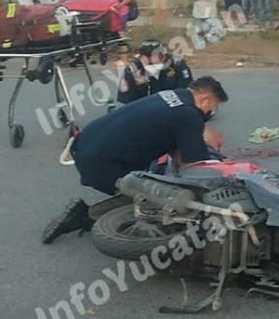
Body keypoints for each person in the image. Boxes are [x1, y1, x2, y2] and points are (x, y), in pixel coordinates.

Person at [41, 76, 229, 244]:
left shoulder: (171, 95)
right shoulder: (189, 115)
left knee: (155, 180)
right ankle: (85, 216)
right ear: (205, 98)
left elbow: (176, 149)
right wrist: (222, 171)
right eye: (213, 107)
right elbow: (195, 166)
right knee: (159, 199)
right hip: (102, 164)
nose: (211, 112)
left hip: (85, 145)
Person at [117, 39, 194, 105]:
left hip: (173, 106)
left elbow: (187, 91)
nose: (151, 60)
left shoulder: (177, 64)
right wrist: (139, 86)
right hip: (144, 108)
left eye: (154, 55)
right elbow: (126, 99)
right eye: (147, 56)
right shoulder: (132, 69)